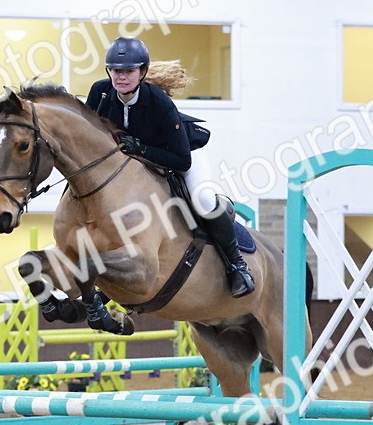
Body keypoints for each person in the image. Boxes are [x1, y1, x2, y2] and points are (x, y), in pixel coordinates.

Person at [84, 36, 254, 297]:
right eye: (116, 71)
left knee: (203, 199)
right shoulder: (100, 93)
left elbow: (181, 159)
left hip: (182, 153)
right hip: (137, 164)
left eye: (128, 71)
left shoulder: (159, 103)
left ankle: (236, 265)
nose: (121, 77)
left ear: (141, 72)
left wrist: (139, 148)